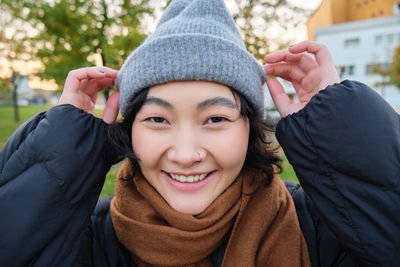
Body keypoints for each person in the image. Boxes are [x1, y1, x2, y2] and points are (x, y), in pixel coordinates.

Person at [0, 0, 399, 266]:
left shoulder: (326, 229)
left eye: (215, 120)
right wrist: (67, 143)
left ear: (250, 129)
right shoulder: (89, 239)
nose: (186, 153)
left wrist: (338, 121)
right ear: (127, 130)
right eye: (157, 120)